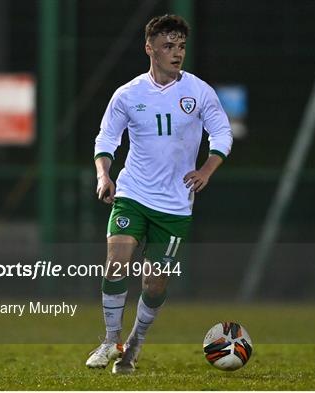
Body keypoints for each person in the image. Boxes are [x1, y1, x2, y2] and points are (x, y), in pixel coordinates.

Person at [86, 14, 233, 374]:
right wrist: (104, 175)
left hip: (175, 205)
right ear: (149, 48)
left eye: (181, 46)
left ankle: (133, 346)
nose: (176, 52)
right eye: (168, 46)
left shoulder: (198, 92)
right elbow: (106, 139)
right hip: (133, 192)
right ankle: (109, 341)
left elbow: (222, 135)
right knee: (116, 262)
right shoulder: (128, 94)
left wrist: (205, 171)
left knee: (153, 282)